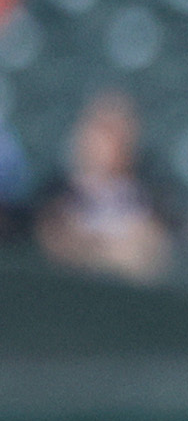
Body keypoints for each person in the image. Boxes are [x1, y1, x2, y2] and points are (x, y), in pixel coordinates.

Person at [36, 90, 171, 283]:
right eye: (103, 131)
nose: (110, 143)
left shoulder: (152, 196)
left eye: (118, 133)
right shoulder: (54, 192)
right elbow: (54, 244)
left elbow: (152, 254)